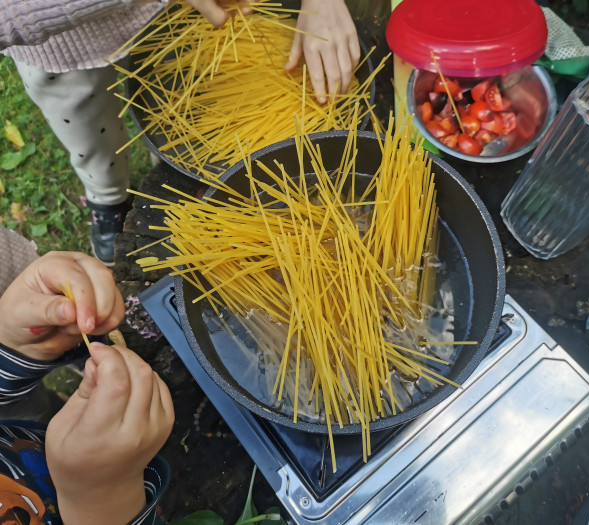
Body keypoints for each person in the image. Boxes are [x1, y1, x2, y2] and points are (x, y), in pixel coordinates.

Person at [0, 0, 361, 266]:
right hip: (60, 44)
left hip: (177, 17)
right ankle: (106, 196)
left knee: (167, 103)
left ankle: (162, 160)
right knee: (89, 132)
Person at [0, 246, 174, 524]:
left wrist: (13, 349)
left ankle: (68, 425)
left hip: (22, 434)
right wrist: (101, 502)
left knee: (44, 414)